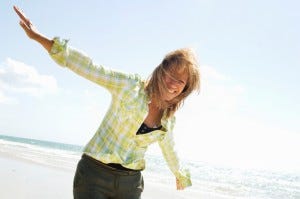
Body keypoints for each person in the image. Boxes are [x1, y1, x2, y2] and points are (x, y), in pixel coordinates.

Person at [14, 5, 200, 199]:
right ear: (161, 71)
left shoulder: (168, 120)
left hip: (131, 184)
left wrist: (179, 174)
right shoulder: (129, 86)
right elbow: (90, 67)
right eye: (171, 75)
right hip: (94, 175)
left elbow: (170, 148)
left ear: (185, 88)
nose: (173, 84)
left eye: (181, 81)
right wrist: (38, 37)